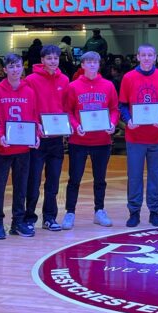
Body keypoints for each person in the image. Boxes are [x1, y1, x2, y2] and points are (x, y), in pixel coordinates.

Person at [118, 43, 158, 227]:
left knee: (156, 176)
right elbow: (122, 105)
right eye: (144, 55)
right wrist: (128, 120)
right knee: (134, 176)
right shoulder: (128, 77)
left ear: (155, 57)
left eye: (150, 55)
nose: (147, 58)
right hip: (135, 137)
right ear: (138, 57)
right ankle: (134, 212)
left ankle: (155, 211)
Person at [62, 51, 119, 229]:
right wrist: (74, 124)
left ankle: (99, 211)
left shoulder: (108, 85)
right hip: (78, 140)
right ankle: (70, 212)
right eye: (89, 62)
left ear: (99, 64)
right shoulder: (73, 86)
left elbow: (114, 109)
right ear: (83, 65)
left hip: (102, 140)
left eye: (95, 61)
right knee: (74, 179)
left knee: (100, 179)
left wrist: (112, 123)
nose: (92, 65)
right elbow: (68, 110)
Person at [0, 53, 40, 239]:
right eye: (11, 67)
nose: (15, 70)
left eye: (18, 66)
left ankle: (17, 222)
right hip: (2, 148)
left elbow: (34, 117)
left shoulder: (30, 91)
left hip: (23, 149)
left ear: (22, 68)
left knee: (21, 187)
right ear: (5, 70)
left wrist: (36, 135)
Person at [25, 44, 71, 232]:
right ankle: (29, 217)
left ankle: (50, 217)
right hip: (38, 138)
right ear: (42, 60)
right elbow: (29, 107)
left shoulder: (65, 80)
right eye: (49, 58)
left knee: (53, 181)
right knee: (33, 181)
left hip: (56, 139)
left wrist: (68, 126)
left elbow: (67, 107)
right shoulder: (30, 80)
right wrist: (37, 126)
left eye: (56, 58)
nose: (53, 61)